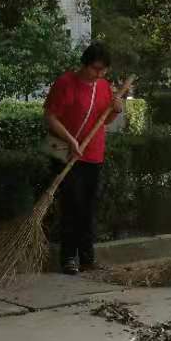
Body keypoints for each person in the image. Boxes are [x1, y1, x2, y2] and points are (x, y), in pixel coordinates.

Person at [43, 42, 125, 275]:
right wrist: (71, 140)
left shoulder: (104, 87)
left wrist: (116, 110)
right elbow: (50, 117)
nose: (98, 75)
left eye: (103, 71)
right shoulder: (65, 83)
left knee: (88, 207)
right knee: (71, 206)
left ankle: (88, 258)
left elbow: (104, 121)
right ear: (84, 64)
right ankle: (69, 258)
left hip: (93, 154)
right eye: (95, 69)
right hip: (67, 153)